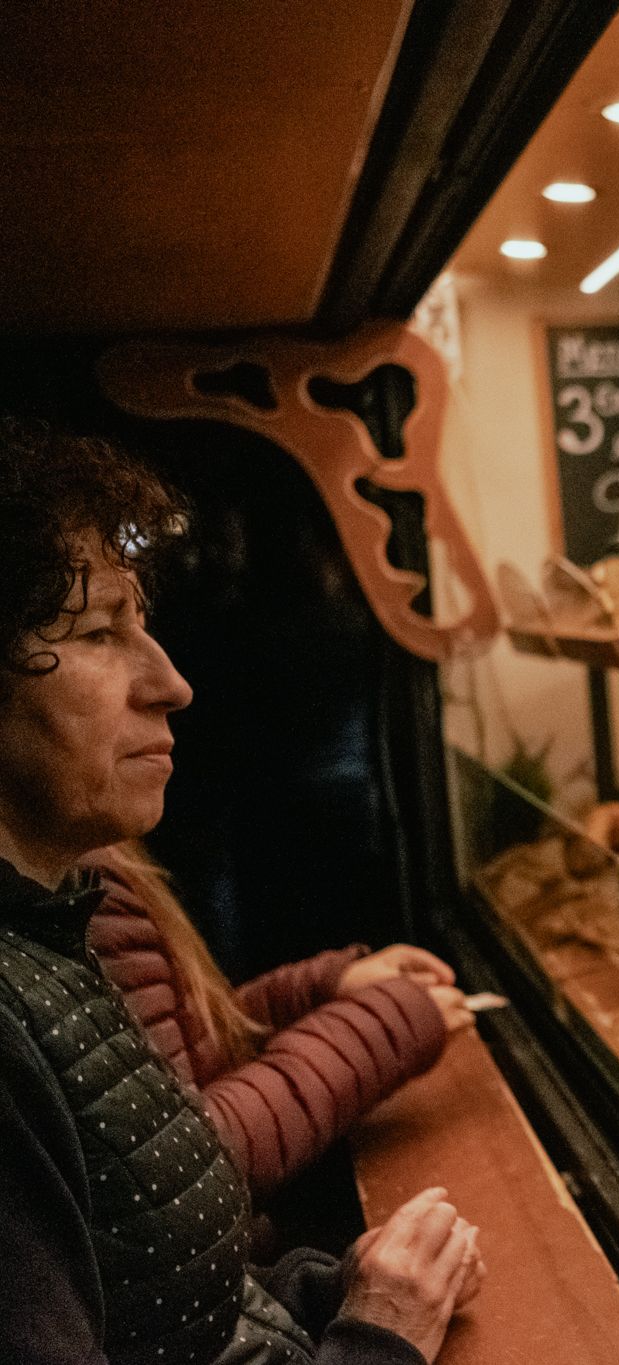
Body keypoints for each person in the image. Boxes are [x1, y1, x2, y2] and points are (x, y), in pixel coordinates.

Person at [0, 416, 480, 1364]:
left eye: (145, 626)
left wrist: (326, 1289)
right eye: (100, 632)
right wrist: (377, 1336)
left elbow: (158, 1289)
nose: (171, 683)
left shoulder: (50, 929)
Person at [85, 840, 471, 1200]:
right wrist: (391, 1023)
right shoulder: (87, 883)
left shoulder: (101, 856)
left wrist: (321, 986)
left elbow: (191, 1045)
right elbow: (190, 1156)